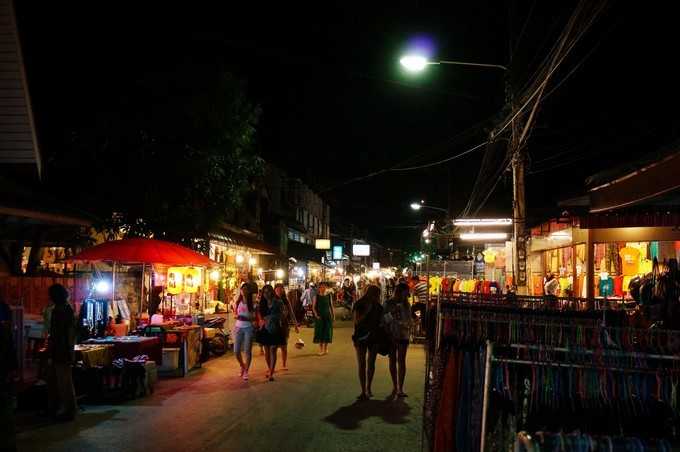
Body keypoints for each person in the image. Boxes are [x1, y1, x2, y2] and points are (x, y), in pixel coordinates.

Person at [46, 284, 77, 421]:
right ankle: (60, 408)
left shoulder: (60, 311)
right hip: (62, 349)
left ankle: (69, 410)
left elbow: (62, 333)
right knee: (59, 381)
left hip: (61, 350)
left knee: (64, 382)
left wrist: (67, 350)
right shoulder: (65, 309)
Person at [352, 285, 383, 401]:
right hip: (361, 337)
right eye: (377, 295)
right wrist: (366, 312)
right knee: (362, 364)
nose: (378, 297)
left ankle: (368, 388)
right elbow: (356, 321)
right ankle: (363, 390)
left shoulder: (378, 306)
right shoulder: (359, 304)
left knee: (371, 363)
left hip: (374, 337)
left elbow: (381, 322)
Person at [384, 282, 412, 399]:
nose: (406, 296)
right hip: (392, 335)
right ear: (399, 292)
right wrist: (393, 312)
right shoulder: (388, 303)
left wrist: (408, 325)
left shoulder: (407, 304)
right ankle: (395, 386)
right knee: (392, 360)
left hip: (403, 335)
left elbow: (409, 319)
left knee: (401, 361)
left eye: (407, 294)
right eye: (405, 293)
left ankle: (400, 388)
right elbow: (384, 320)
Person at [257, 284, 285, 381]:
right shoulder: (262, 303)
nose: (266, 294)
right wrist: (261, 321)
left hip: (275, 327)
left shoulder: (278, 302)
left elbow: (283, 314)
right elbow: (259, 313)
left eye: (268, 292)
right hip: (265, 328)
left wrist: (275, 318)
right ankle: (270, 369)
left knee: (273, 349)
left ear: (272, 292)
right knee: (267, 351)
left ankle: (271, 373)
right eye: (264, 292)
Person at [232, 284, 256, 381]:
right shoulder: (237, 302)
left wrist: (245, 318)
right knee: (236, 351)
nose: (244, 291)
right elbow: (235, 314)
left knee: (247, 351)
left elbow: (254, 317)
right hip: (238, 327)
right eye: (242, 289)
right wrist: (237, 316)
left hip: (248, 328)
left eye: (246, 289)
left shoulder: (253, 303)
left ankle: (246, 371)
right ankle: (242, 365)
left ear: (248, 291)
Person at [275, 283, 299, 371]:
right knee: (273, 347)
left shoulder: (286, 300)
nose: (279, 291)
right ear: (274, 290)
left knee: (284, 346)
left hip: (284, 325)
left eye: (280, 289)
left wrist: (296, 325)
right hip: (274, 325)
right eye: (277, 289)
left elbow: (291, 313)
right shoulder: (272, 300)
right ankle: (272, 366)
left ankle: (284, 364)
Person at [312, 282, 334, 355]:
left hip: (327, 316)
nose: (323, 288)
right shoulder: (316, 296)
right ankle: (321, 350)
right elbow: (313, 307)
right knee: (320, 333)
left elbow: (331, 306)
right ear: (319, 288)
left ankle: (326, 348)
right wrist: (316, 315)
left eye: (324, 287)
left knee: (327, 332)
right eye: (321, 287)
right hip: (319, 317)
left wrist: (333, 315)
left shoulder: (329, 296)